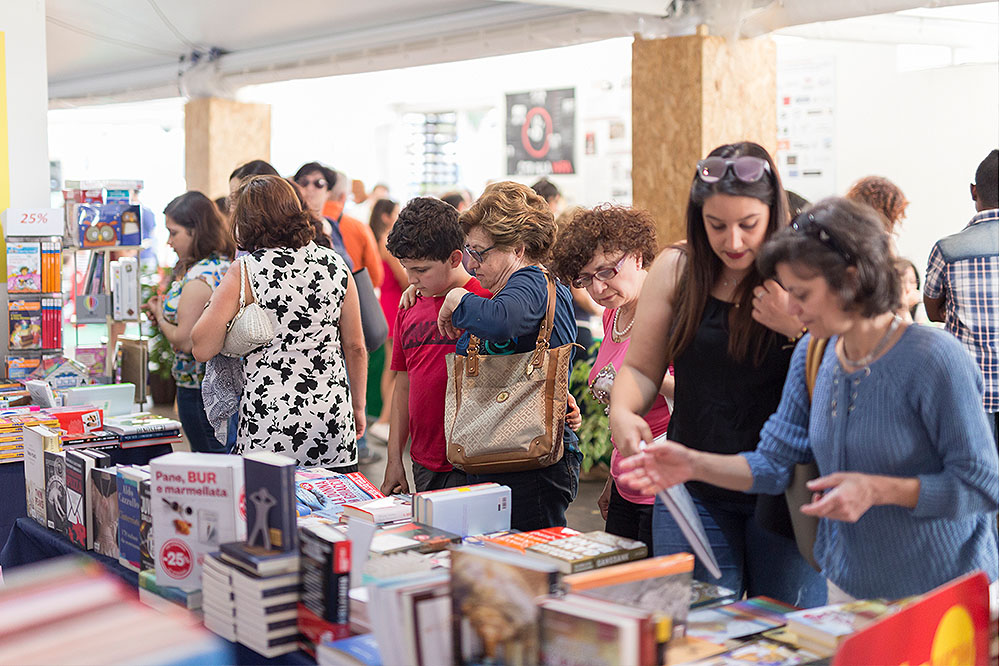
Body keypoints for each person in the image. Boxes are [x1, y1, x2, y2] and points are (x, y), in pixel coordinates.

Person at [620, 197, 999, 602]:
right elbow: (772, 464)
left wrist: (878, 490)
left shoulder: (934, 358)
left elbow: (982, 486)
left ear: (851, 278)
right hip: (852, 591)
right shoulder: (816, 353)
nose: (793, 308)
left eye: (802, 293)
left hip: (944, 595)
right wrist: (692, 463)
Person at [609, 141, 826, 607]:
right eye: (716, 225)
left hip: (786, 492)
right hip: (695, 488)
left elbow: (844, 370)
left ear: (773, 212)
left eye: (748, 225)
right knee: (697, 631)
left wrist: (799, 328)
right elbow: (641, 368)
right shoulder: (678, 269)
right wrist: (624, 410)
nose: (733, 242)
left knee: (786, 636)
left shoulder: (802, 274)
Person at [192, 175, 367, 470]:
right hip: (332, 418)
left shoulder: (247, 270)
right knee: (334, 513)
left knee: (267, 513)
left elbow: (201, 346)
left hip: (270, 423)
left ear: (245, 221)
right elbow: (356, 346)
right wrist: (358, 407)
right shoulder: (336, 264)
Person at [437, 181, 581, 531]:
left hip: (528, 468)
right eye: (469, 251)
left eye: (481, 252)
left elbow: (503, 322)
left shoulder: (531, 281)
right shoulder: (513, 287)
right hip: (509, 457)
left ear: (517, 249)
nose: (472, 264)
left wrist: (458, 298)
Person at [550, 204, 670, 554]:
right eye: (586, 279)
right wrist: (612, 481)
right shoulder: (613, 316)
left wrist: (641, 372)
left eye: (606, 272)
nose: (598, 288)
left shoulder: (668, 310)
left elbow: (699, 391)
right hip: (626, 482)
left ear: (636, 256)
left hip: (664, 486)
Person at [379, 197, 492, 495]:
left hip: (477, 460)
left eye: (422, 269)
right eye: (406, 268)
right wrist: (394, 460)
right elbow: (403, 384)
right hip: (424, 459)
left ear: (456, 258)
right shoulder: (409, 305)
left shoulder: (487, 301)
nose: (412, 278)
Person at [145, 191, 235, 454]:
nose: (169, 242)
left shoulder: (199, 277)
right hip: (217, 386)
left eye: (174, 233)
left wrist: (161, 316)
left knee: (210, 460)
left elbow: (185, 340)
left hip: (197, 388)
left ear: (195, 230)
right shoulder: (222, 264)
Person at [924, 149, 999, 444]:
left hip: (969, 390)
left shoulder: (948, 249)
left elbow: (932, 311)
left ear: (974, 191)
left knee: (977, 479)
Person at [308, 165, 384, 287]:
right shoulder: (358, 227)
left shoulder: (298, 226)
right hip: (351, 293)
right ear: (344, 196)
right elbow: (375, 277)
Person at [368, 198, 403, 443]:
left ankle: (385, 418)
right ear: (386, 216)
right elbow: (404, 278)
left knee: (391, 368)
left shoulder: (379, 239)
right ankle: (384, 419)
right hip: (394, 306)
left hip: (389, 305)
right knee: (395, 368)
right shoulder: (387, 242)